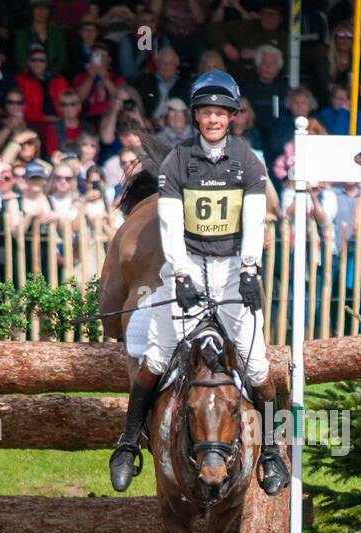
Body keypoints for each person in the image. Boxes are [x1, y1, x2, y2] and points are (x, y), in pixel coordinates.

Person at [109, 70, 290, 498]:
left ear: (232, 117)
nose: (213, 119)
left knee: (260, 368)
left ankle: (271, 453)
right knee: (155, 359)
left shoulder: (248, 162)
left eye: (220, 113)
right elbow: (170, 224)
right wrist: (182, 274)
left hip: (231, 270)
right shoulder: (176, 163)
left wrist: (249, 269)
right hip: (187, 266)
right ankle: (128, 443)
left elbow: (253, 220)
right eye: (206, 113)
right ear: (197, 116)